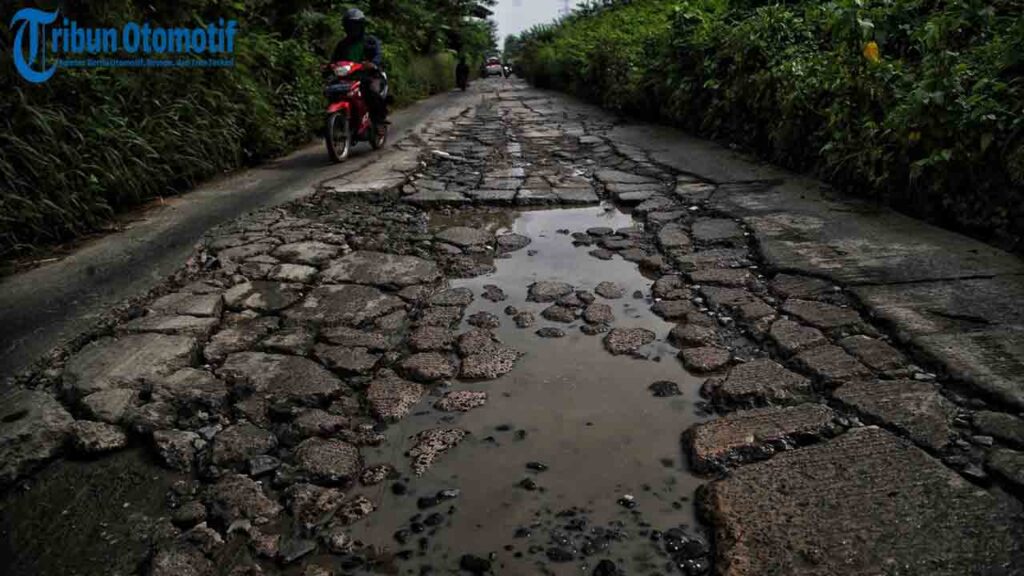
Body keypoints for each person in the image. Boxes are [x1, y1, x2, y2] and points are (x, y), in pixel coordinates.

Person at [332, 8, 387, 124]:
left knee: (373, 91)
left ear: (361, 26)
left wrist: (373, 64)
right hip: (347, 78)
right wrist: (328, 67)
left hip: (369, 75)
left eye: (356, 25)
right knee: (331, 90)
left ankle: (379, 121)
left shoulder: (370, 41)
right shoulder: (342, 44)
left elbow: (378, 55)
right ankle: (333, 121)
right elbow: (334, 60)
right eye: (350, 26)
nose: (353, 29)